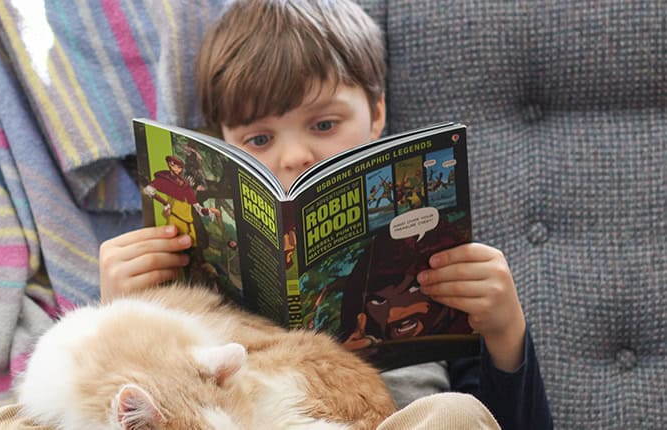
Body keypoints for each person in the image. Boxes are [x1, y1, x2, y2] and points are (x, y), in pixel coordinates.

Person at [98, 0, 552, 429]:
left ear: (377, 113)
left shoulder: (438, 257)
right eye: (259, 139)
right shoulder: (190, 267)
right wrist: (118, 318)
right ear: (221, 143)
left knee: (455, 415)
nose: (295, 155)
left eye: (323, 125)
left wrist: (506, 331)